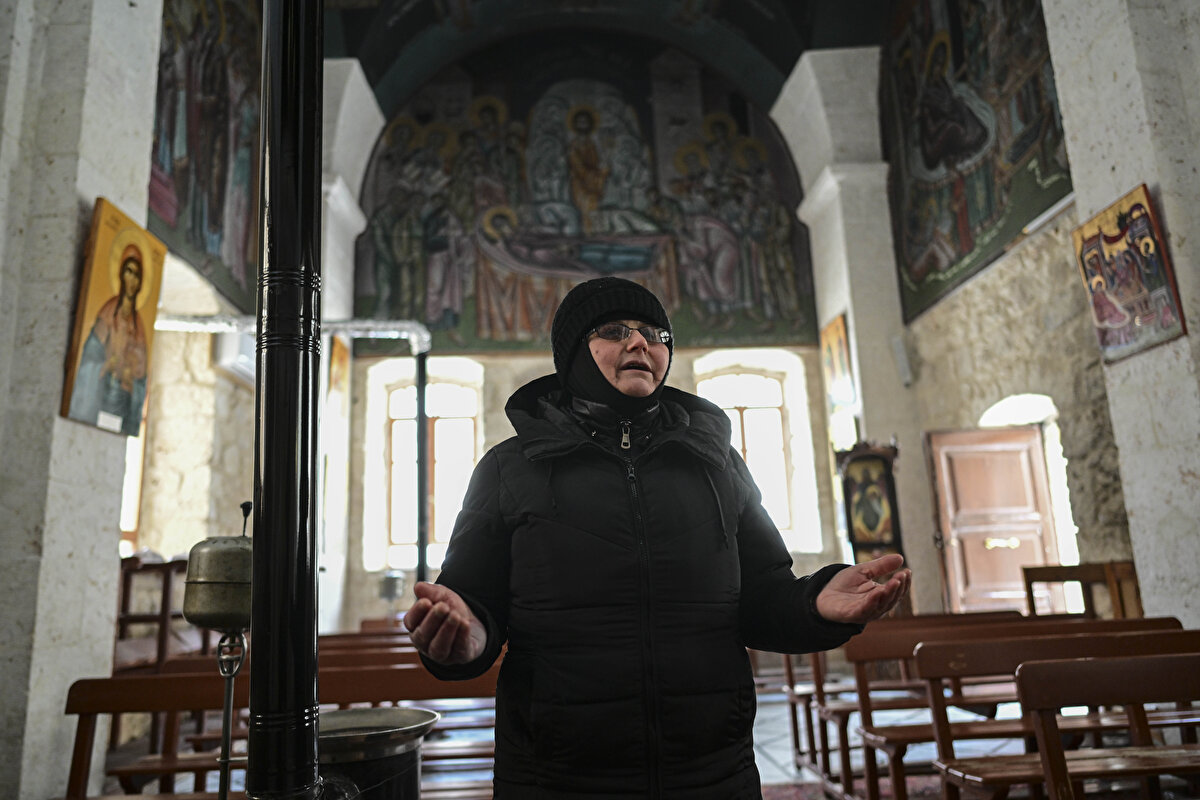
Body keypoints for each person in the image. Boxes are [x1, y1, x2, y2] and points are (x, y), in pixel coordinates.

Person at [404, 276, 910, 799]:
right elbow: (473, 606)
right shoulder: (510, 469)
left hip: (714, 772)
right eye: (614, 330)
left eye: (654, 332)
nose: (640, 342)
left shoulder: (716, 463)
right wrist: (465, 641)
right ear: (575, 350)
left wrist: (816, 603)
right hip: (558, 777)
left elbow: (761, 598)